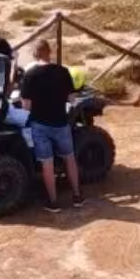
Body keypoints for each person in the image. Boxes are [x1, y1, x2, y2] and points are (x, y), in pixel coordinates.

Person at [19, 40, 84, 210]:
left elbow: (26, 106)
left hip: (39, 125)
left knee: (47, 164)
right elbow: (71, 99)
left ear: (35, 54)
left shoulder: (30, 75)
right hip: (61, 123)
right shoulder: (63, 71)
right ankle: (77, 196)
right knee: (69, 159)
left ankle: (53, 202)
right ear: (50, 52)